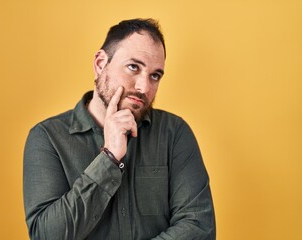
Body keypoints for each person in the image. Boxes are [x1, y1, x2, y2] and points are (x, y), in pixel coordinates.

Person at [23, 18, 216, 240]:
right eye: (133, 67)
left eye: (155, 75)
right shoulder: (47, 138)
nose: (144, 87)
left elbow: (199, 227)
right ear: (100, 64)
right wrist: (109, 159)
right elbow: (47, 236)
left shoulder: (174, 134)